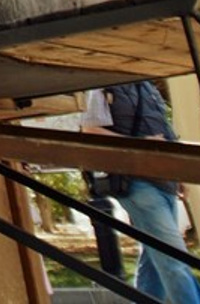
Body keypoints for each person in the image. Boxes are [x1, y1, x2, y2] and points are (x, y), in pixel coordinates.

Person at [82, 81, 200, 303]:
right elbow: (90, 131)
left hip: (164, 180)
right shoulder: (100, 87)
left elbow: (164, 131)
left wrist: (179, 173)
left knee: (153, 260)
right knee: (174, 260)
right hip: (135, 182)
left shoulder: (148, 86)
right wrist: (140, 143)